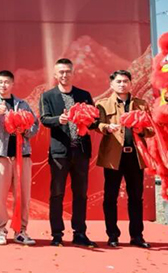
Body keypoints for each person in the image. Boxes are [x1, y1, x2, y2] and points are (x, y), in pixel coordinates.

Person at [39, 58, 97, 247]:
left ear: (73, 73)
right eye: (61, 72)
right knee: (57, 193)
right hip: (60, 153)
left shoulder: (84, 95)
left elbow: (94, 121)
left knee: (80, 194)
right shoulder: (48, 96)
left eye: (67, 71)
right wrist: (59, 119)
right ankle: (57, 234)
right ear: (55, 74)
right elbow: (44, 119)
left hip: (81, 151)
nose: (64, 75)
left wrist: (88, 120)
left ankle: (80, 233)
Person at [95, 70, 153, 248]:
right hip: (114, 157)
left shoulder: (141, 104)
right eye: (119, 81)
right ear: (111, 84)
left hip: (135, 156)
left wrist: (141, 130)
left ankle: (137, 236)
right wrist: (106, 127)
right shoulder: (103, 104)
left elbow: (151, 129)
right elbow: (96, 125)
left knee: (136, 197)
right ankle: (112, 235)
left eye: (125, 81)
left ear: (130, 83)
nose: (122, 84)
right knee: (110, 197)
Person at [0, 70, 39, 246]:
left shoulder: (22, 104)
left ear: (12, 84)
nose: (3, 85)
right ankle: (0, 230)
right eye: (0, 82)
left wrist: (25, 130)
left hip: (22, 156)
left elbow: (35, 125)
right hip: (1, 156)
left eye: (7, 82)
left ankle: (21, 231)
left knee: (23, 196)